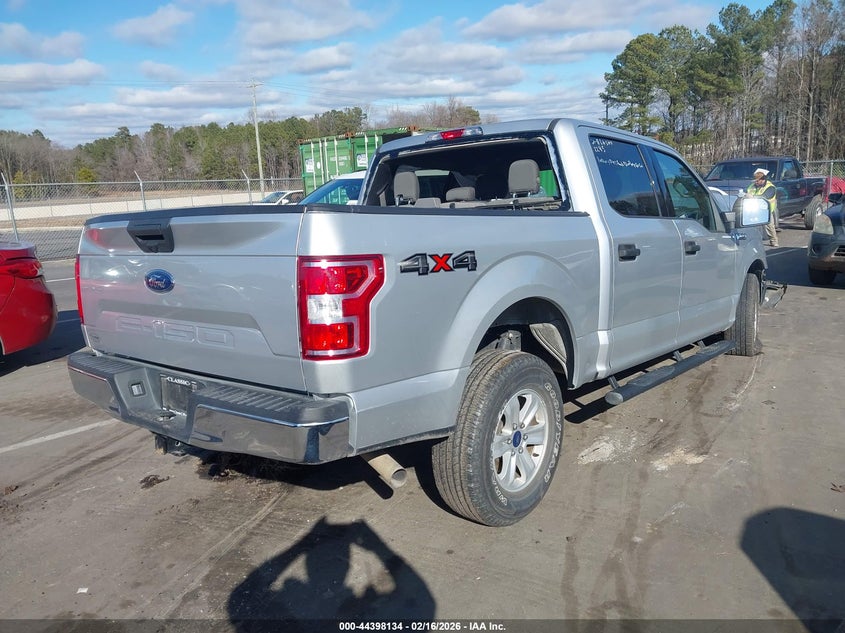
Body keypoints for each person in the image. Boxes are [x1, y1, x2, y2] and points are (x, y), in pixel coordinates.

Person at [747, 168, 779, 247]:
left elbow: (765, 196)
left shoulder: (770, 187)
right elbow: (747, 193)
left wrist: (753, 197)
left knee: (769, 226)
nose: (756, 182)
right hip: (753, 209)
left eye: (757, 181)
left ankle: (774, 241)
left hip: (766, 210)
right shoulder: (752, 186)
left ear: (763, 180)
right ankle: (751, 241)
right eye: (755, 181)